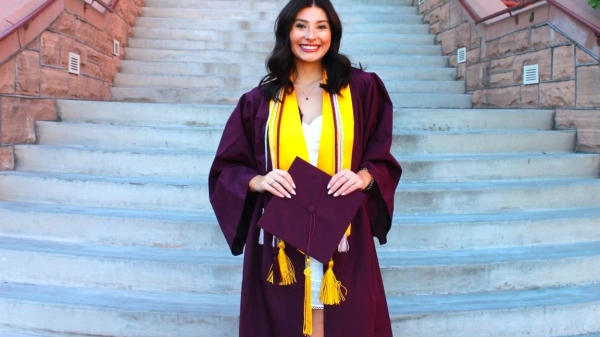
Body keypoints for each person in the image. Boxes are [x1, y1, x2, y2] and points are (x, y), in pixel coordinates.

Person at [208, 0, 402, 336]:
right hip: (279, 241)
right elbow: (226, 169)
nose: (311, 35)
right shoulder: (259, 101)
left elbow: (381, 157)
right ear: (287, 31)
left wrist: (363, 177)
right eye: (301, 25)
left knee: (343, 322)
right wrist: (259, 180)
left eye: (321, 26)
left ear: (333, 32)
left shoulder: (362, 89)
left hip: (343, 236)